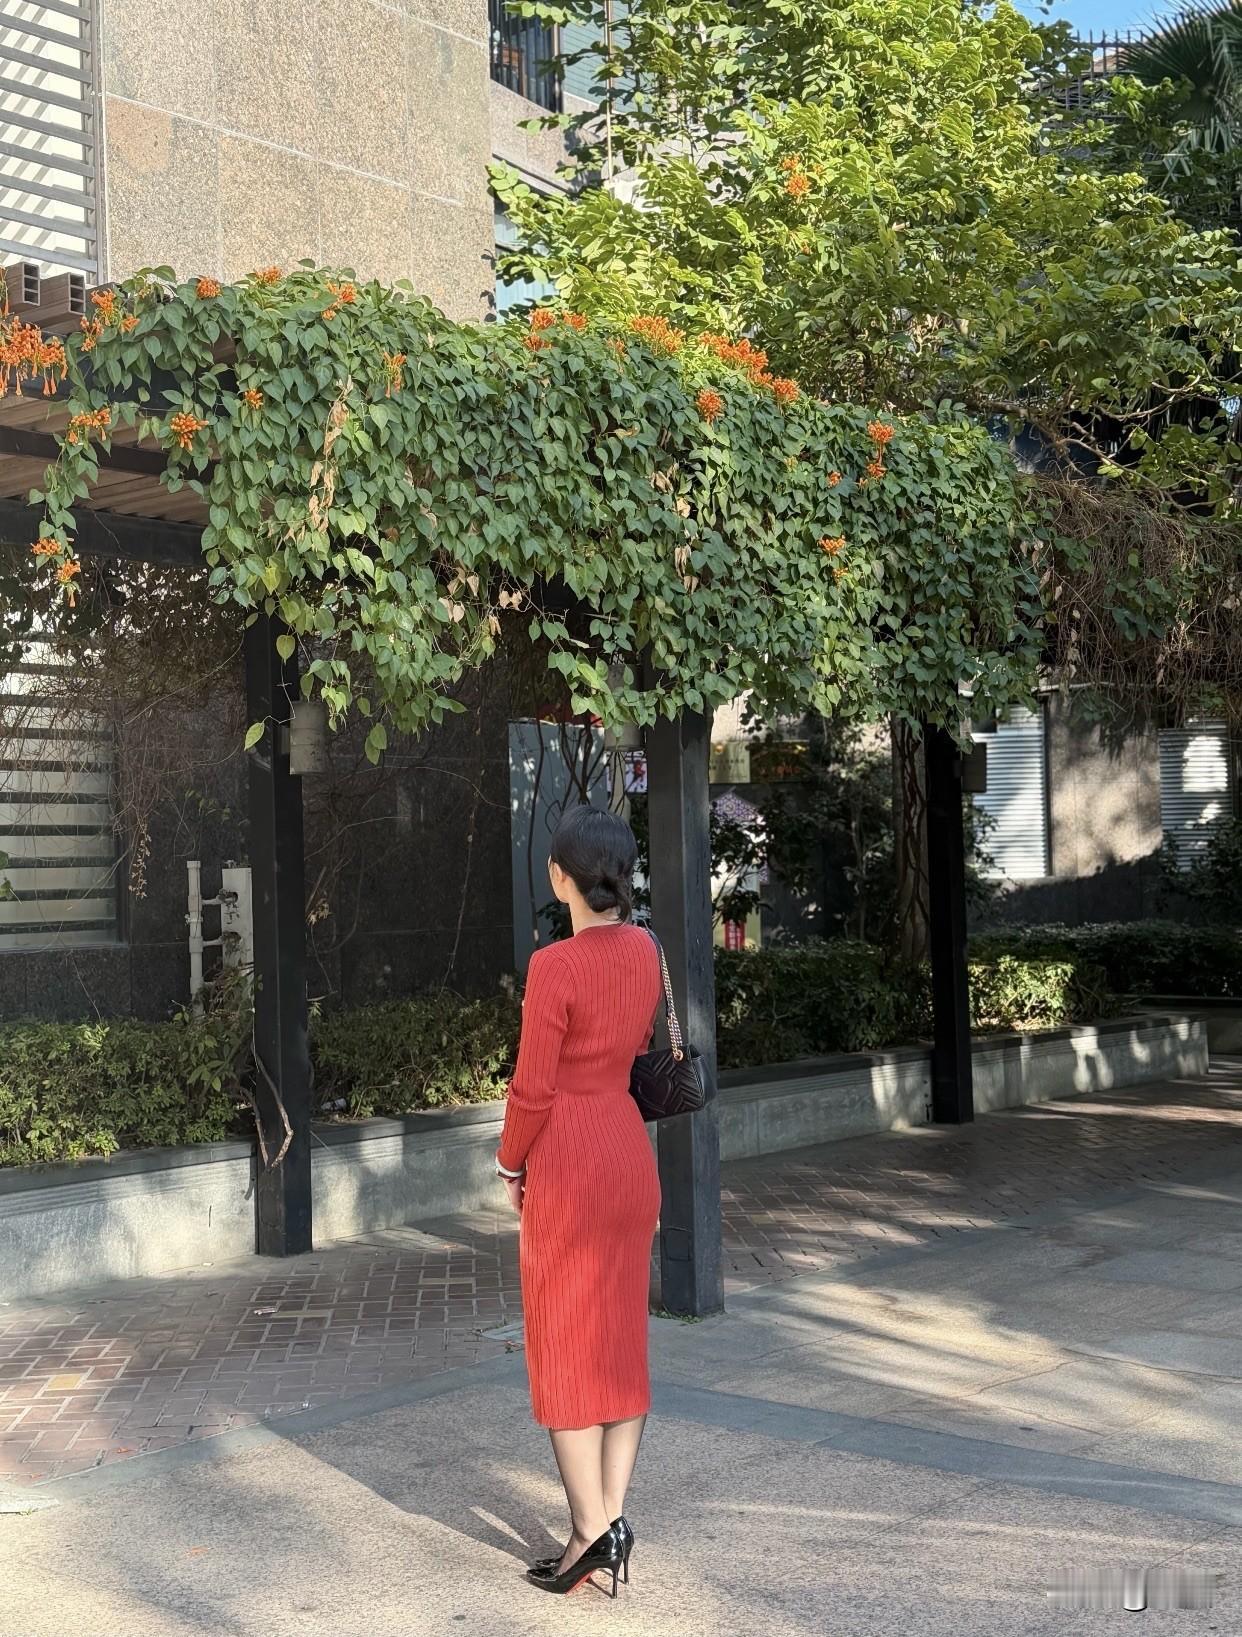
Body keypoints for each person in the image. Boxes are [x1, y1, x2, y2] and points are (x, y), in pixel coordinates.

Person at [495, 802, 663, 1597]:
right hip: (627, 1153)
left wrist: (509, 1162)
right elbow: (636, 1049)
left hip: (568, 1158)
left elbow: (532, 1087)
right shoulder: (647, 951)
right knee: (620, 1344)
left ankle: (591, 1533)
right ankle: (605, 1522)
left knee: (563, 1344)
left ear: (558, 876)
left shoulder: (554, 966)